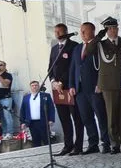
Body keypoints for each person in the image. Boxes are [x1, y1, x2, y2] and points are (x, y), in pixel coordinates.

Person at [70, 22, 111, 154]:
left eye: (85, 31)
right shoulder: (77, 48)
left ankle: (106, 143)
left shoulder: (99, 45)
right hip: (80, 89)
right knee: (86, 117)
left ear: (92, 31)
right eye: (81, 31)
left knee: (101, 116)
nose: (82, 33)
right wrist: (72, 85)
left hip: (95, 87)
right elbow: (73, 68)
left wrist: (101, 83)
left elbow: (104, 67)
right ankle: (93, 144)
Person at [96, 17, 121, 154]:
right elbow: (88, 50)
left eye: (115, 27)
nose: (113, 30)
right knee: (111, 116)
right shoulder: (100, 44)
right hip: (108, 84)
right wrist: (99, 35)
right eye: (110, 28)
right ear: (106, 30)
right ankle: (114, 144)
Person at [48, 23, 84, 156]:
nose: (57, 34)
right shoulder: (53, 49)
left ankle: (78, 145)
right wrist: (53, 81)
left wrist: (62, 82)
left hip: (69, 87)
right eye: (55, 31)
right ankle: (67, 145)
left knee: (76, 118)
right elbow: (50, 68)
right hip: (57, 89)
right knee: (64, 118)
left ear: (65, 31)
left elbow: (72, 68)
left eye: (59, 31)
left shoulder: (73, 46)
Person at [21, 81, 55, 147]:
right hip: (32, 123)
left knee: (46, 139)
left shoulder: (45, 96)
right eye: (32, 85)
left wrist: (51, 119)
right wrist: (22, 122)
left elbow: (51, 108)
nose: (34, 87)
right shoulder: (26, 98)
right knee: (35, 140)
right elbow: (23, 110)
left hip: (43, 121)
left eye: (36, 85)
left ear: (39, 86)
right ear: (30, 87)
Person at [0, 60, 15, 136]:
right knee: (1, 117)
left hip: (5, 98)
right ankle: (4, 132)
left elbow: (5, 85)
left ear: (4, 66)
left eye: (1, 65)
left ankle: (10, 132)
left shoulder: (8, 75)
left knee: (7, 115)